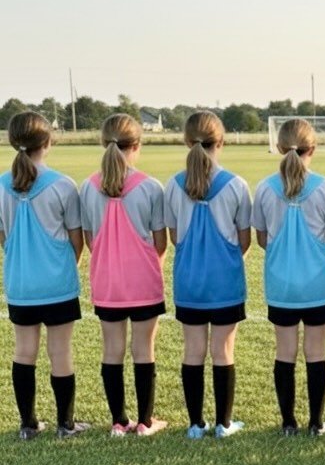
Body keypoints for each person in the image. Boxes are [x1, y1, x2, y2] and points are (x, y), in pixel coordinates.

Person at [0, 111, 89, 439]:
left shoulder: (0, 186)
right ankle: (65, 425)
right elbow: (76, 239)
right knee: (60, 352)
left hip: (20, 283)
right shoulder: (63, 185)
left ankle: (28, 425)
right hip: (57, 283)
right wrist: (66, 267)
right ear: (47, 142)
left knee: (23, 352)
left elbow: (4, 237)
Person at [80, 113, 168, 437]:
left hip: (107, 283)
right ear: (137, 145)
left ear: (104, 144)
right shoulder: (150, 187)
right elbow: (161, 242)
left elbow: (91, 241)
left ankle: (118, 422)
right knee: (144, 349)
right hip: (144, 281)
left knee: (112, 349)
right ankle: (145, 422)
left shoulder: (87, 188)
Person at [165, 110, 251, 439]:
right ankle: (223, 424)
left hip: (188, 281)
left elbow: (174, 237)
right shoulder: (236, 185)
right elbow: (244, 240)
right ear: (222, 142)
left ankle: (195, 425)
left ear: (187, 142)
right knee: (223, 351)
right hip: (225, 281)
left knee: (193, 350)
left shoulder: (172, 186)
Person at [253, 118, 325, 436]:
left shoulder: (264, 188)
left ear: (278, 147)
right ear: (312, 149)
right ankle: (316, 423)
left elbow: (262, 239)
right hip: (317, 284)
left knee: (284, 352)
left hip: (281, 284)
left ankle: (288, 423)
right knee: (316, 352)